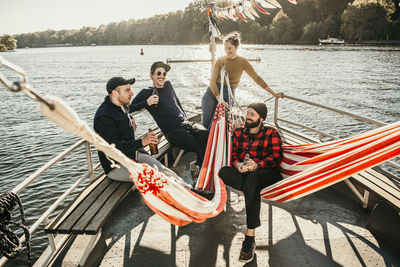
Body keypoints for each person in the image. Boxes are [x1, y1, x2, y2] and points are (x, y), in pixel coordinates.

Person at [218, 102, 283, 263]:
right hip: (246, 173)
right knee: (224, 171)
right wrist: (238, 165)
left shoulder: (271, 133)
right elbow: (233, 156)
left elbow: (277, 156)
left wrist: (257, 165)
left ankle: (250, 237)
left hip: (267, 172)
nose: (247, 116)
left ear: (261, 118)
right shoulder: (239, 132)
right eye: (247, 113)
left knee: (252, 180)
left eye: (252, 114)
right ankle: (249, 186)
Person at [94, 76, 179, 182]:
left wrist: (146, 104)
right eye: (127, 90)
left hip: (132, 153)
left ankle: (193, 192)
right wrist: (142, 141)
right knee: (157, 178)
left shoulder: (121, 105)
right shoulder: (103, 117)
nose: (132, 94)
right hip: (117, 165)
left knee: (165, 171)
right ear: (115, 93)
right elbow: (114, 148)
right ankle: (186, 195)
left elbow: (131, 108)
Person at [130, 61, 209, 172]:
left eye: (164, 73)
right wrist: (146, 103)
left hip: (186, 124)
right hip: (173, 132)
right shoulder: (146, 93)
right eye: (158, 73)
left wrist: (185, 118)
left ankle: (196, 165)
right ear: (151, 75)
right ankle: (199, 171)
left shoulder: (168, 86)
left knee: (207, 136)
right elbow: (128, 108)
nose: (161, 76)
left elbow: (177, 102)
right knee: (199, 145)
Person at [201, 31, 284, 129]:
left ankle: (209, 142)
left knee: (214, 126)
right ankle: (204, 141)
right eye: (225, 49)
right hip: (212, 91)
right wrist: (219, 98)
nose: (227, 51)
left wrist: (274, 94)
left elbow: (257, 78)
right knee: (205, 124)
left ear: (236, 47)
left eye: (229, 48)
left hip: (228, 94)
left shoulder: (242, 62)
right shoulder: (220, 60)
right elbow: (212, 81)